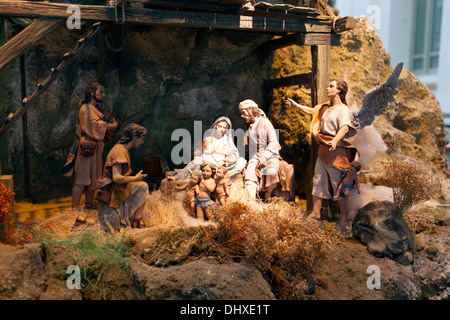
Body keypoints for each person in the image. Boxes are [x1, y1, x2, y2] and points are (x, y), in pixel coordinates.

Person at [286, 78, 359, 225]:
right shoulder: (326, 107)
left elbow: (345, 127)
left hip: (336, 151)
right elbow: (313, 112)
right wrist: (296, 106)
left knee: (337, 183)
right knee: (318, 180)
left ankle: (343, 215)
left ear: (339, 90)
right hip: (324, 149)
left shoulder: (343, 109)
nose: (327, 88)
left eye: (331, 86)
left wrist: (335, 140)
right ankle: (316, 212)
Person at [70, 82, 118, 210]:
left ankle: (89, 206)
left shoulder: (95, 109)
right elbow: (95, 125)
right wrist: (112, 126)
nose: (103, 94)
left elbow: (99, 124)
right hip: (87, 149)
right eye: (100, 92)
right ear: (92, 93)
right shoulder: (85, 109)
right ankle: (74, 211)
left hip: (96, 148)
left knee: (93, 180)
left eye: (103, 92)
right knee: (81, 179)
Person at [97, 123, 149, 232]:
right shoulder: (119, 152)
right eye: (141, 138)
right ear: (134, 137)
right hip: (112, 195)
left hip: (119, 190)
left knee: (142, 187)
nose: (142, 141)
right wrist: (135, 178)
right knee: (111, 230)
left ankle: (137, 221)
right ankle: (82, 221)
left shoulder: (122, 149)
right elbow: (117, 178)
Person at [168, 116, 246, 181]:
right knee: (196, 162)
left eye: (224, 127)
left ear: (226, 129)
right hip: (208, 159)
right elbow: (202, 151)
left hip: (221, 162)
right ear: (215, 126)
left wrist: (228, 159)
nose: (221, 129)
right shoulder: (209, 138)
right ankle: (177, 178)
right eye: (220, 126)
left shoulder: (227, 141)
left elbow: (235, 154)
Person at [238, 99, 281, 200]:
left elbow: (273, 142)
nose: (242, 116)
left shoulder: (265, 122)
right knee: (249, 176)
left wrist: (265, 157)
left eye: (243, 113)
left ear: (251, 110)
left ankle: (268, 196)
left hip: (270, 155)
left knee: (271, 171)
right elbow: (246, 146)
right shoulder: (248, 126)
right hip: (255, 156)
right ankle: (251, 203)